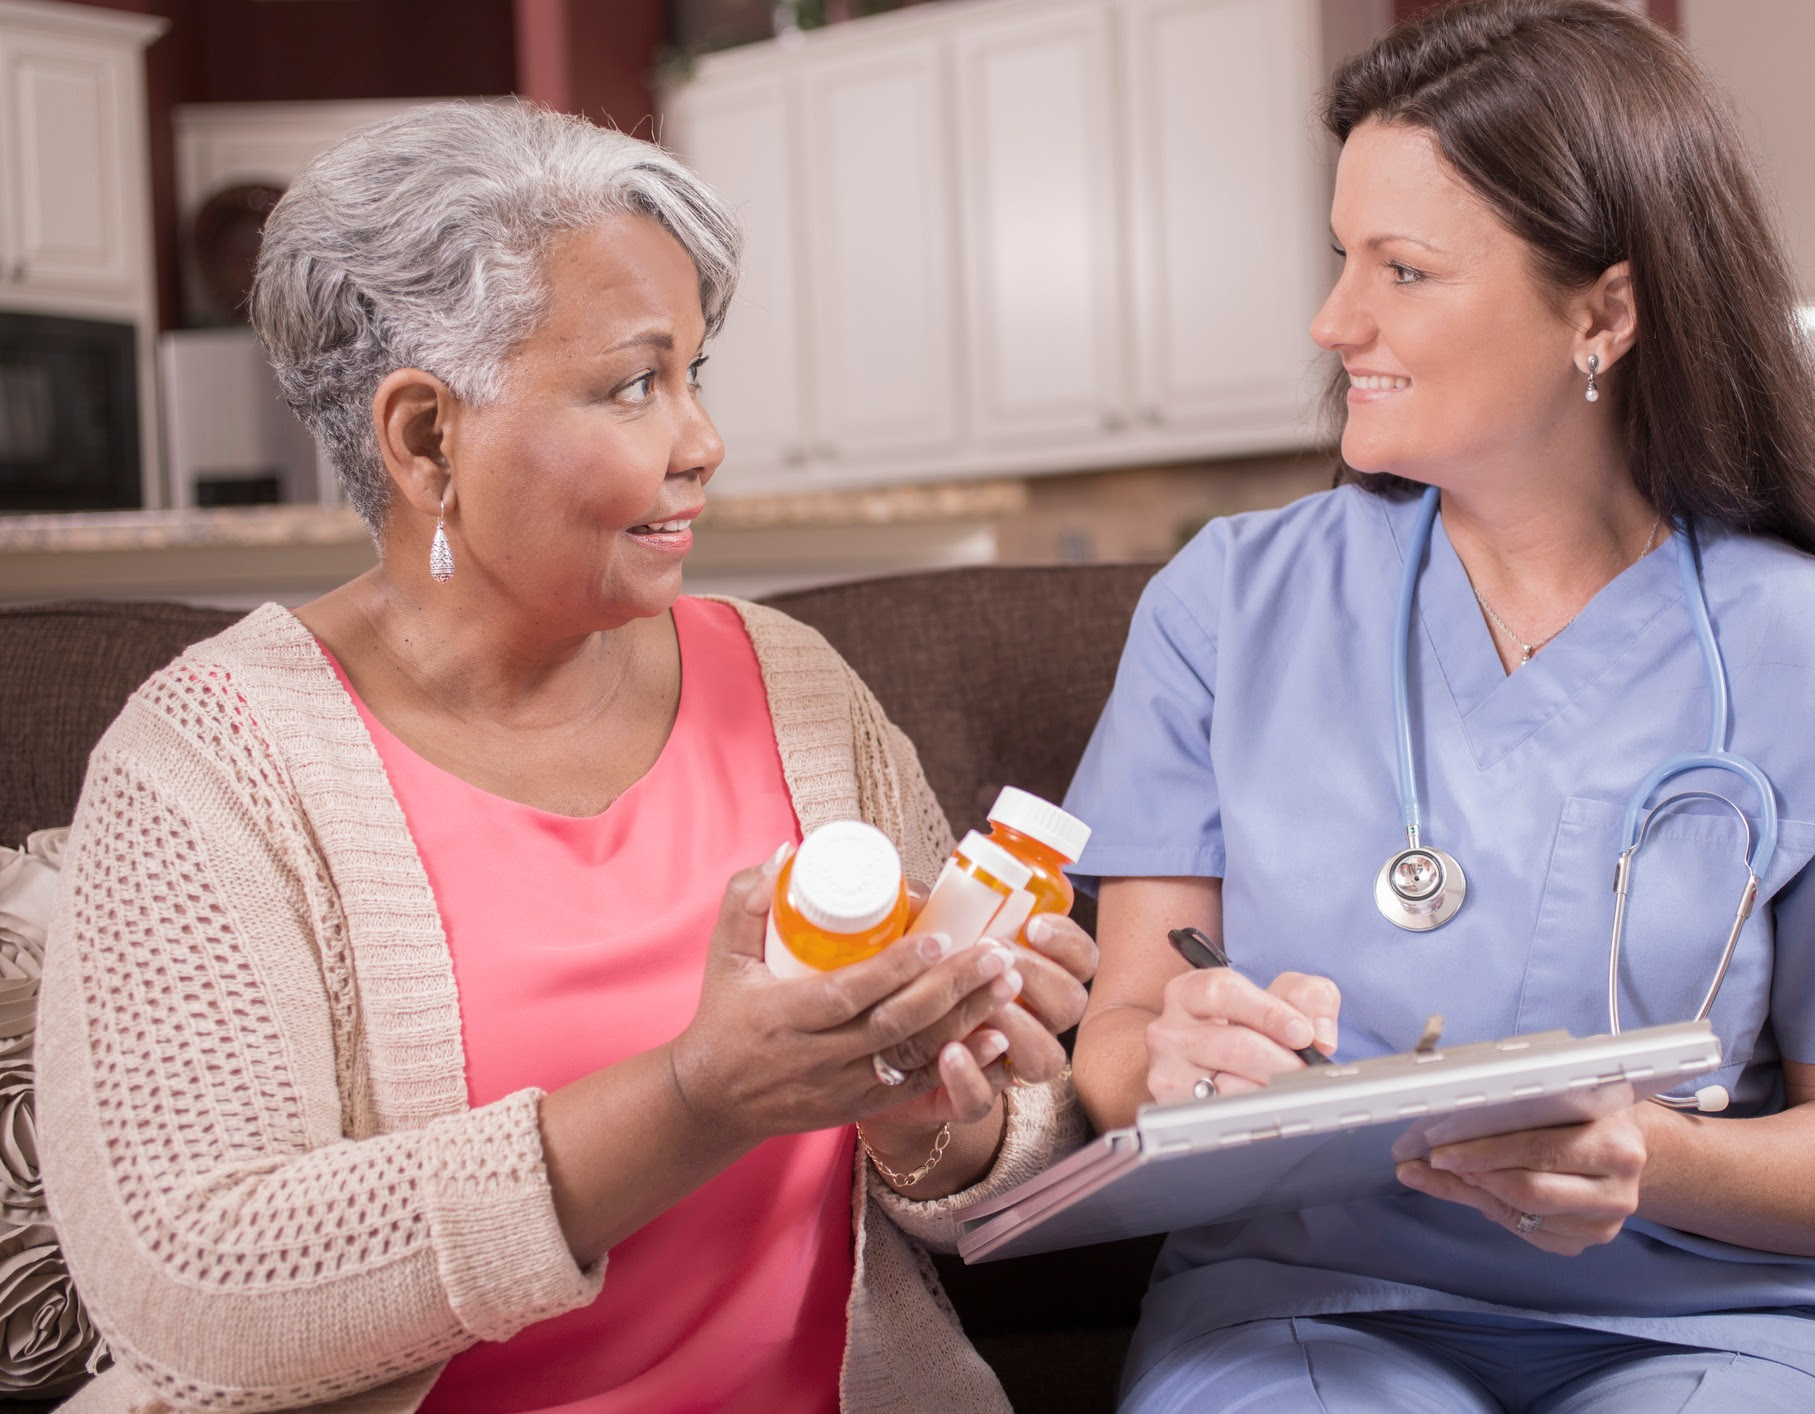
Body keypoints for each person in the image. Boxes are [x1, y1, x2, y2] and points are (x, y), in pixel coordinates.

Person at [38, 102, 1092, 1413]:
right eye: (633, 382)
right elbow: (189, 1286)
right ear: (425, 437)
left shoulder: (794, 684)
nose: (700, 440)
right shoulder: (207, 766)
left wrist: (935, 1108)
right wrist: (695, 1100)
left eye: (697, 373)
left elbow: (983, 1161)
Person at [1065, 4, 1815, 1411]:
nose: (1334, 320)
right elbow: (1118, 1039)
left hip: (1719, 1315)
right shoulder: (1226, 605)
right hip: (1306, 1306)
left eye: (1402, 269)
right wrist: (1163, 1064)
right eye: (1341, 257)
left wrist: (1648, 1154)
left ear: (1603, 310)